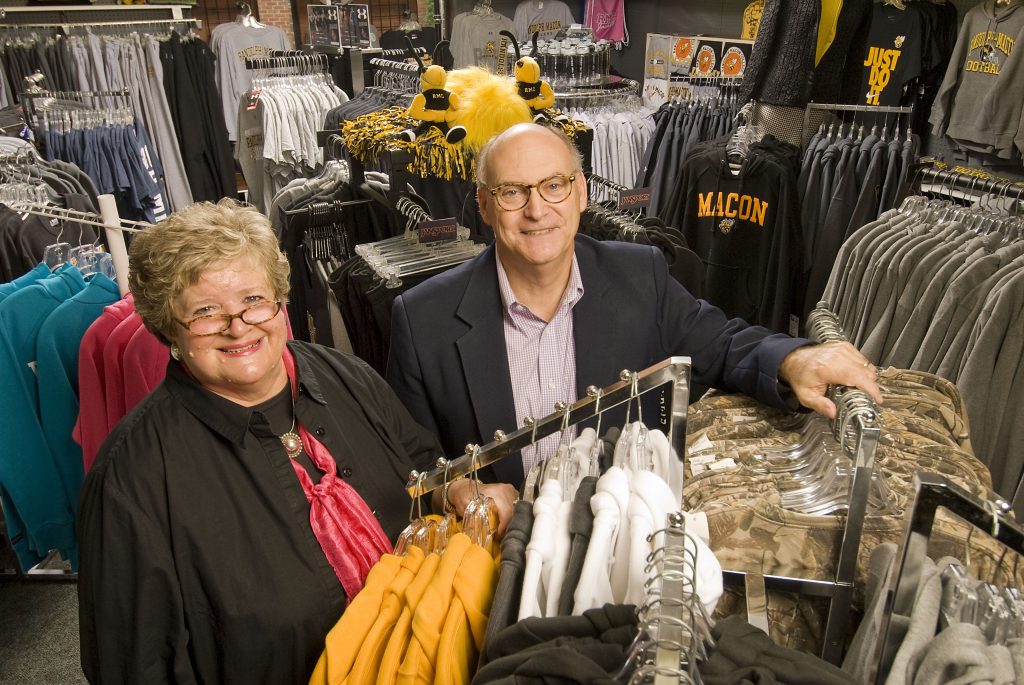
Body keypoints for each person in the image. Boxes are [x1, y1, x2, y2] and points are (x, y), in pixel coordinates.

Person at [386, 122, 883, 532]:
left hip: (618, 542)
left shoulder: (639, 275)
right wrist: (455, 489)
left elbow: (721, 342)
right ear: (485, 205)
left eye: (553, 186)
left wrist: (795, 359)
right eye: (512, 192)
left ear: (581, 192)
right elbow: (407, 461)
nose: (537, 210)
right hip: (497, 561)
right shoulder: (421, 317)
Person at [77, 200, 441, 685]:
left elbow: (421, 471)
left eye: (253, 299)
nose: (238, 325)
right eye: (206, 312)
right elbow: (133, 665)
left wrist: (452, 489)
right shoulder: (132, 478)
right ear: (169, 329)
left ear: (280, 298)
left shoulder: (349, 376)